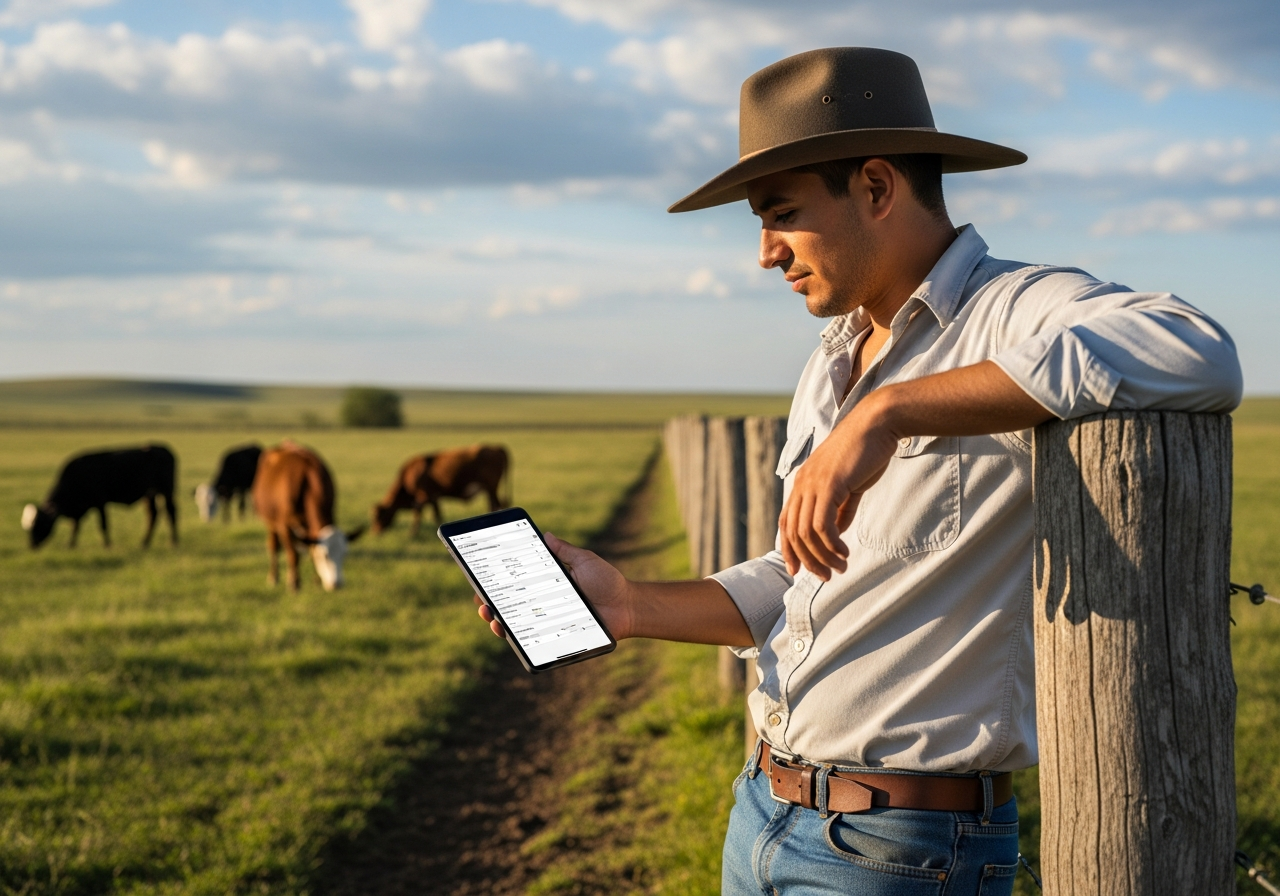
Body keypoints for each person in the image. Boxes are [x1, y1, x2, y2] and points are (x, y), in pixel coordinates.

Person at [474, 47, 1242, 895]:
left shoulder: (1014, 312)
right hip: (763, 811)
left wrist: (892, 412)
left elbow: (1193, 346)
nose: (766, 252)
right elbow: (798, 575)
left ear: (876, 188)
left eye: (782, 214)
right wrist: (630, 604)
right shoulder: (831, 357)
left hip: (905, 850)